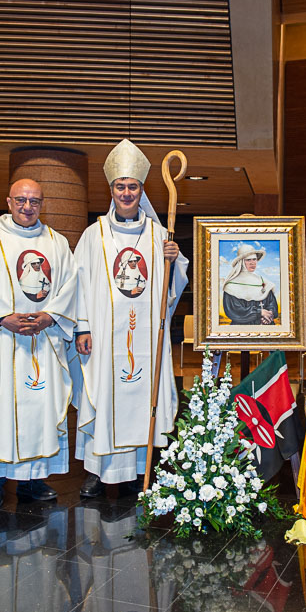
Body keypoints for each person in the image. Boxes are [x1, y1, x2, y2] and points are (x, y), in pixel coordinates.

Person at [72, 139, 189, 497]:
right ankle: (98, 470)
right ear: (111, 191)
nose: (126, 193)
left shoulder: (159, 236)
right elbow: (79, 283)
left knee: (142, 400)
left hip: (145, 338)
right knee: (104, 395)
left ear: (142, 190)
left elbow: (172, 289)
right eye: (120, 187)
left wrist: (175, 258)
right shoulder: (94, 235)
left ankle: (142, 469)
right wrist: (83, 326)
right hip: (105, 338)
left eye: (133, 187)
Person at [0, 178, 78, 508]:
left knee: (40, 411)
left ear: (42, 204)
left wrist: (50, 316)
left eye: (34, 201)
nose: (27, 207)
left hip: (43, 341)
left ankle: (33, 481)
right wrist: (2, 318)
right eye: (21, 200)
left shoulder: (56, 242)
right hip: (0, 341)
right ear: (8, 202)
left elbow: (69, 287)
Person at [222, 244, 279, 325]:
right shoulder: (231, 286)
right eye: (248, 260)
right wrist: (259, 313)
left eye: (254, 259)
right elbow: (233, 311)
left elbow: (272, 303)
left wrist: (269, 315)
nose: (253, 263)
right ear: (241, 262)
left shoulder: (263, 281)